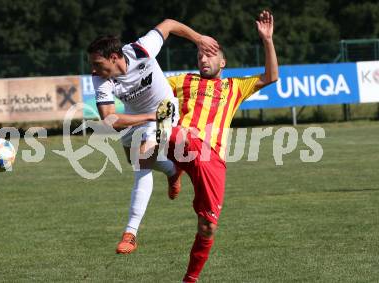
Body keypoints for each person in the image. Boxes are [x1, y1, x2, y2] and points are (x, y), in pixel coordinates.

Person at [158, 10, 278, 282]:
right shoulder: (182, 81)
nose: (203, 58)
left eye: (209, 55)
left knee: (208, 226)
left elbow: (270, 77)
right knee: (171, 129)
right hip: (183, 140)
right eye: (200, 55)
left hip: (212, 159)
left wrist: (267, 40)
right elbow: (153, 89)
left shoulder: (234, 87)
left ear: (222, 62)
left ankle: (190, 279)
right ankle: (172, 166)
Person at [87, 19, 219, 254]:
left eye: (98, 63)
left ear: (115, 57)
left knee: (142, 163)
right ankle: (171, 170)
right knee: (135, 159)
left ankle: (130, 234)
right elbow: (109, 119)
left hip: (166, 109)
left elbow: (168, 24)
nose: (93, 70)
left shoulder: (141, 49)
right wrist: (149, 117)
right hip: (140, 116)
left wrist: (199, 38)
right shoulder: (101, 79)